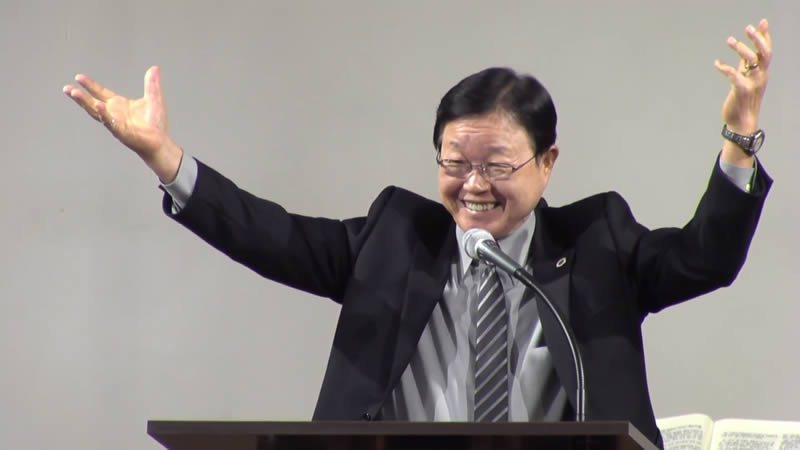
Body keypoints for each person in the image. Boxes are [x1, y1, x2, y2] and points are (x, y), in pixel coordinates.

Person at [63, 19, 773, 449]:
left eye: (497, 165)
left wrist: (739, 137)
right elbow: (271, 235)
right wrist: (166, 159)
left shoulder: (599, 244)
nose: (473, 186)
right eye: (454, 163)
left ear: (548, 163)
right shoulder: (395, 239)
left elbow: (704, 258)